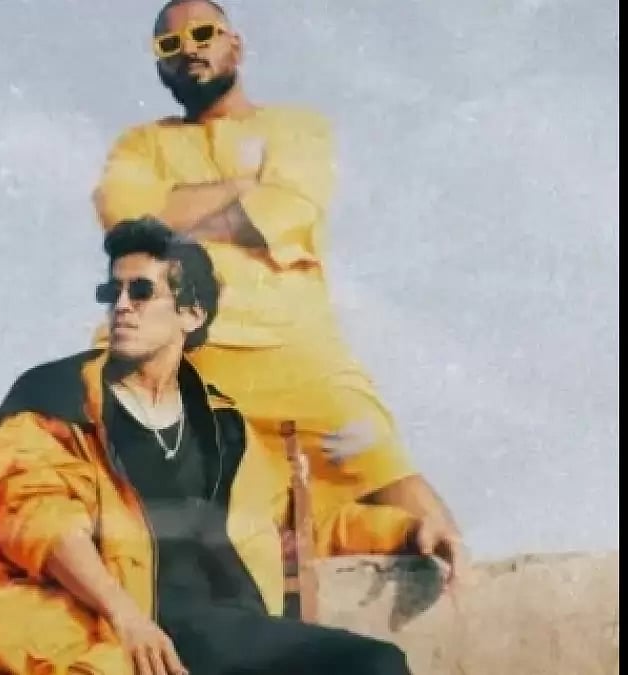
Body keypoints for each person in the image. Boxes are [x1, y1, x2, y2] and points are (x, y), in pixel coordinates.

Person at [0, 217, 434, 675]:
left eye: (141, 292)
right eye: (112, 292)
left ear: (191, 314)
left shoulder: (221, 423)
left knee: (377, 664)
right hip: (124, 628)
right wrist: (127, 617)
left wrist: (407, 531)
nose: (121, 307)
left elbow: (289, 523)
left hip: (230, 626)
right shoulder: (58, 396)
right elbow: (36, 518)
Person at [91, 0, 469, 586]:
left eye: (203, 33)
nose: (189, 49)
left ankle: (459, 594)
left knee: (383, 466)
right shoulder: (139, 146)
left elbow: (288, 208)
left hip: (294, 354)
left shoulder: (297, 128)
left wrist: (176, 214)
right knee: (182, 516)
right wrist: (245, 185)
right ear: (159, 64)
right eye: (170, 45)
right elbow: (128, 225)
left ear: (235, 45)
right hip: (179, 357)